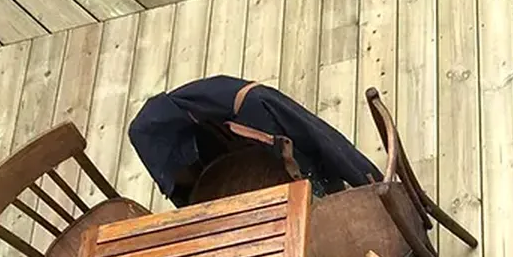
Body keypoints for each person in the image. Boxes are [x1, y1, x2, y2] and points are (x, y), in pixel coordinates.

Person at [128, 76, 380, 205]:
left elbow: (328, 143)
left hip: (304, 188)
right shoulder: (182, 116)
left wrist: (374, 186)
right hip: (247, 166)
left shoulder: (257, 106)